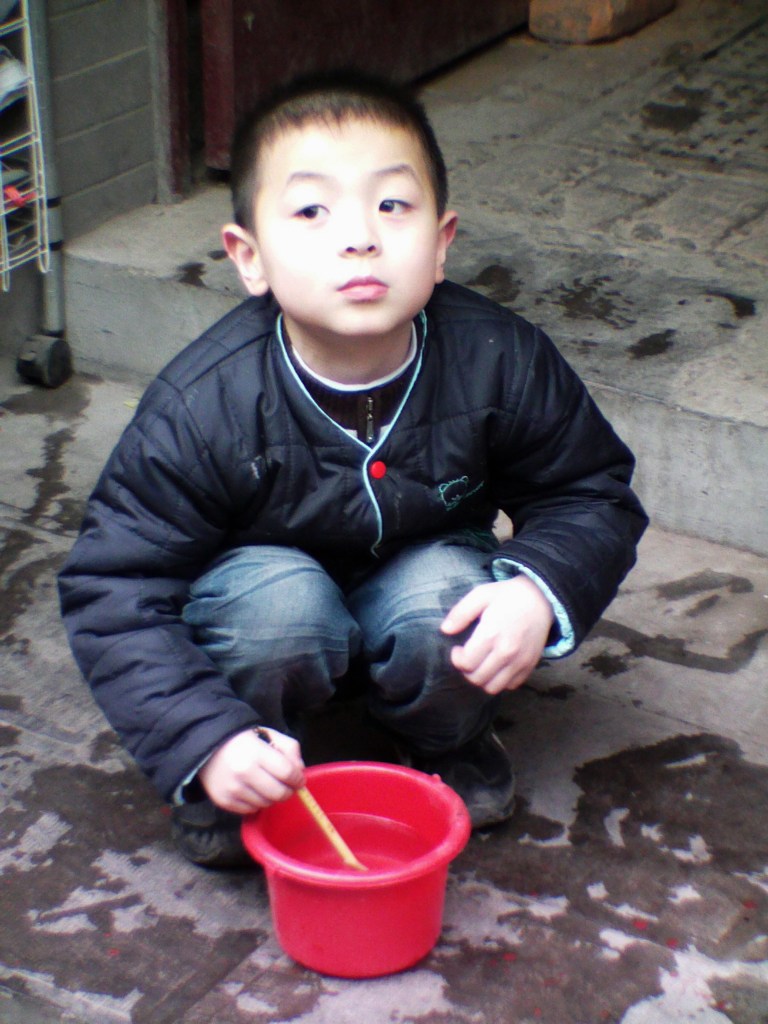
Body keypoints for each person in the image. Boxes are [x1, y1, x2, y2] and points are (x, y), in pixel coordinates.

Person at [58, 71, 647, 867]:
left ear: (441, 243)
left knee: (447, 599)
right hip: (263, 613)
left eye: (392, 205)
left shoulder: (499, 356)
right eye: (311, 211)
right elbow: (114, 586)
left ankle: (444, 741)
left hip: (421, 587)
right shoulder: (203, 403)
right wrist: (203, 739)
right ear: (249, 257)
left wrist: (539, 589)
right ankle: (240, 774)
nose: (360, 237)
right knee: (280, 611)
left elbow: (590, 493)